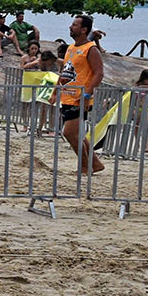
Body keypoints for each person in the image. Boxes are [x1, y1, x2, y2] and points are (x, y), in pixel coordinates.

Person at [57, 14, 105, 181]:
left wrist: (87, 93)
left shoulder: (91, 49)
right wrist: (56, 90)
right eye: (72, 24)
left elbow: (99, 73)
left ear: (84, 29)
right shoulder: (70, 48)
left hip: (79, 98)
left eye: (75, 25)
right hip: (67, 95)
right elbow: (65, 71)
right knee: (77, 134)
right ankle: (95, 163)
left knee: (69, 133)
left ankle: (86, 165)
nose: (71, 27)